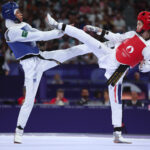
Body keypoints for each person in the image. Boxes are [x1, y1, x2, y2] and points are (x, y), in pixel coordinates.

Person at [46, 11, 150, 143]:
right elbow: (114, 37)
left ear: (147, 26)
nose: (137, 25)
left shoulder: (148, 47)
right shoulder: (132, 34)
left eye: (140, 23)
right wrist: (94, 29)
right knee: (84, 36)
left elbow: (147, 67)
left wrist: (143, 66)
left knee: (116, 102)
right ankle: (57, 24)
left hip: (118, 72)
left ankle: (117, 134)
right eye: (137, 22)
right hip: (108, 55)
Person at [2, 2, 92, 144]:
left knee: (68, 52)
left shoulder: (23, 25)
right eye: (17, 12)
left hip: (41, 58)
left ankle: (101, 46)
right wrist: (62, 31)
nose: (20, 14)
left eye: (19, 11)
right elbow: (41, 36)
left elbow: (39, 35)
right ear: (9, 15)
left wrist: (62, 30)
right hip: (30, 66)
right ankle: (19, 131)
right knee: (29, 100)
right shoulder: (11, 32)